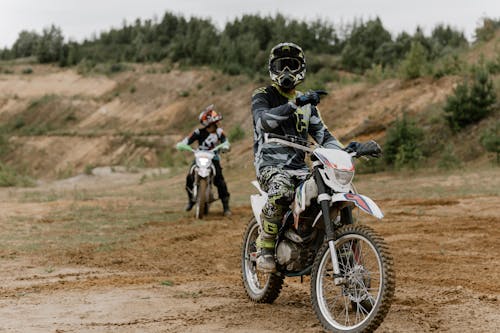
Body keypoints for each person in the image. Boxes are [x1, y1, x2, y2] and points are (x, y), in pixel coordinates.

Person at [251, 42, 345, 272]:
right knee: (282, 189)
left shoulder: (308, 104)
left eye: (291, 65)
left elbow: (323, 136)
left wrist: (349, 150)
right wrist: (294, 104)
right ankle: (265, 246)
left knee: (333, 190)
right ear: (272, 68)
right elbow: (264, 121)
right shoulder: (264, 95)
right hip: (270, 166)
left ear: (300, 68)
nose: (286, 72)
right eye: (280, 65)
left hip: (300, 168)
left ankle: (335, 245)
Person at [177, 105, 231, 216]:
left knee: (220, 180)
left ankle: (226, 206)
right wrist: (182, 144)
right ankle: (191, 200)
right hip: (199, 156)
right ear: (208, 123)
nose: (217, 124)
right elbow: (187, 140)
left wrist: (225, 146)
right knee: (189, 177)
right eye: (215, 122)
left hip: (213, 158)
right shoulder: (198, 132)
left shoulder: (220, 132)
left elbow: (226, 141)